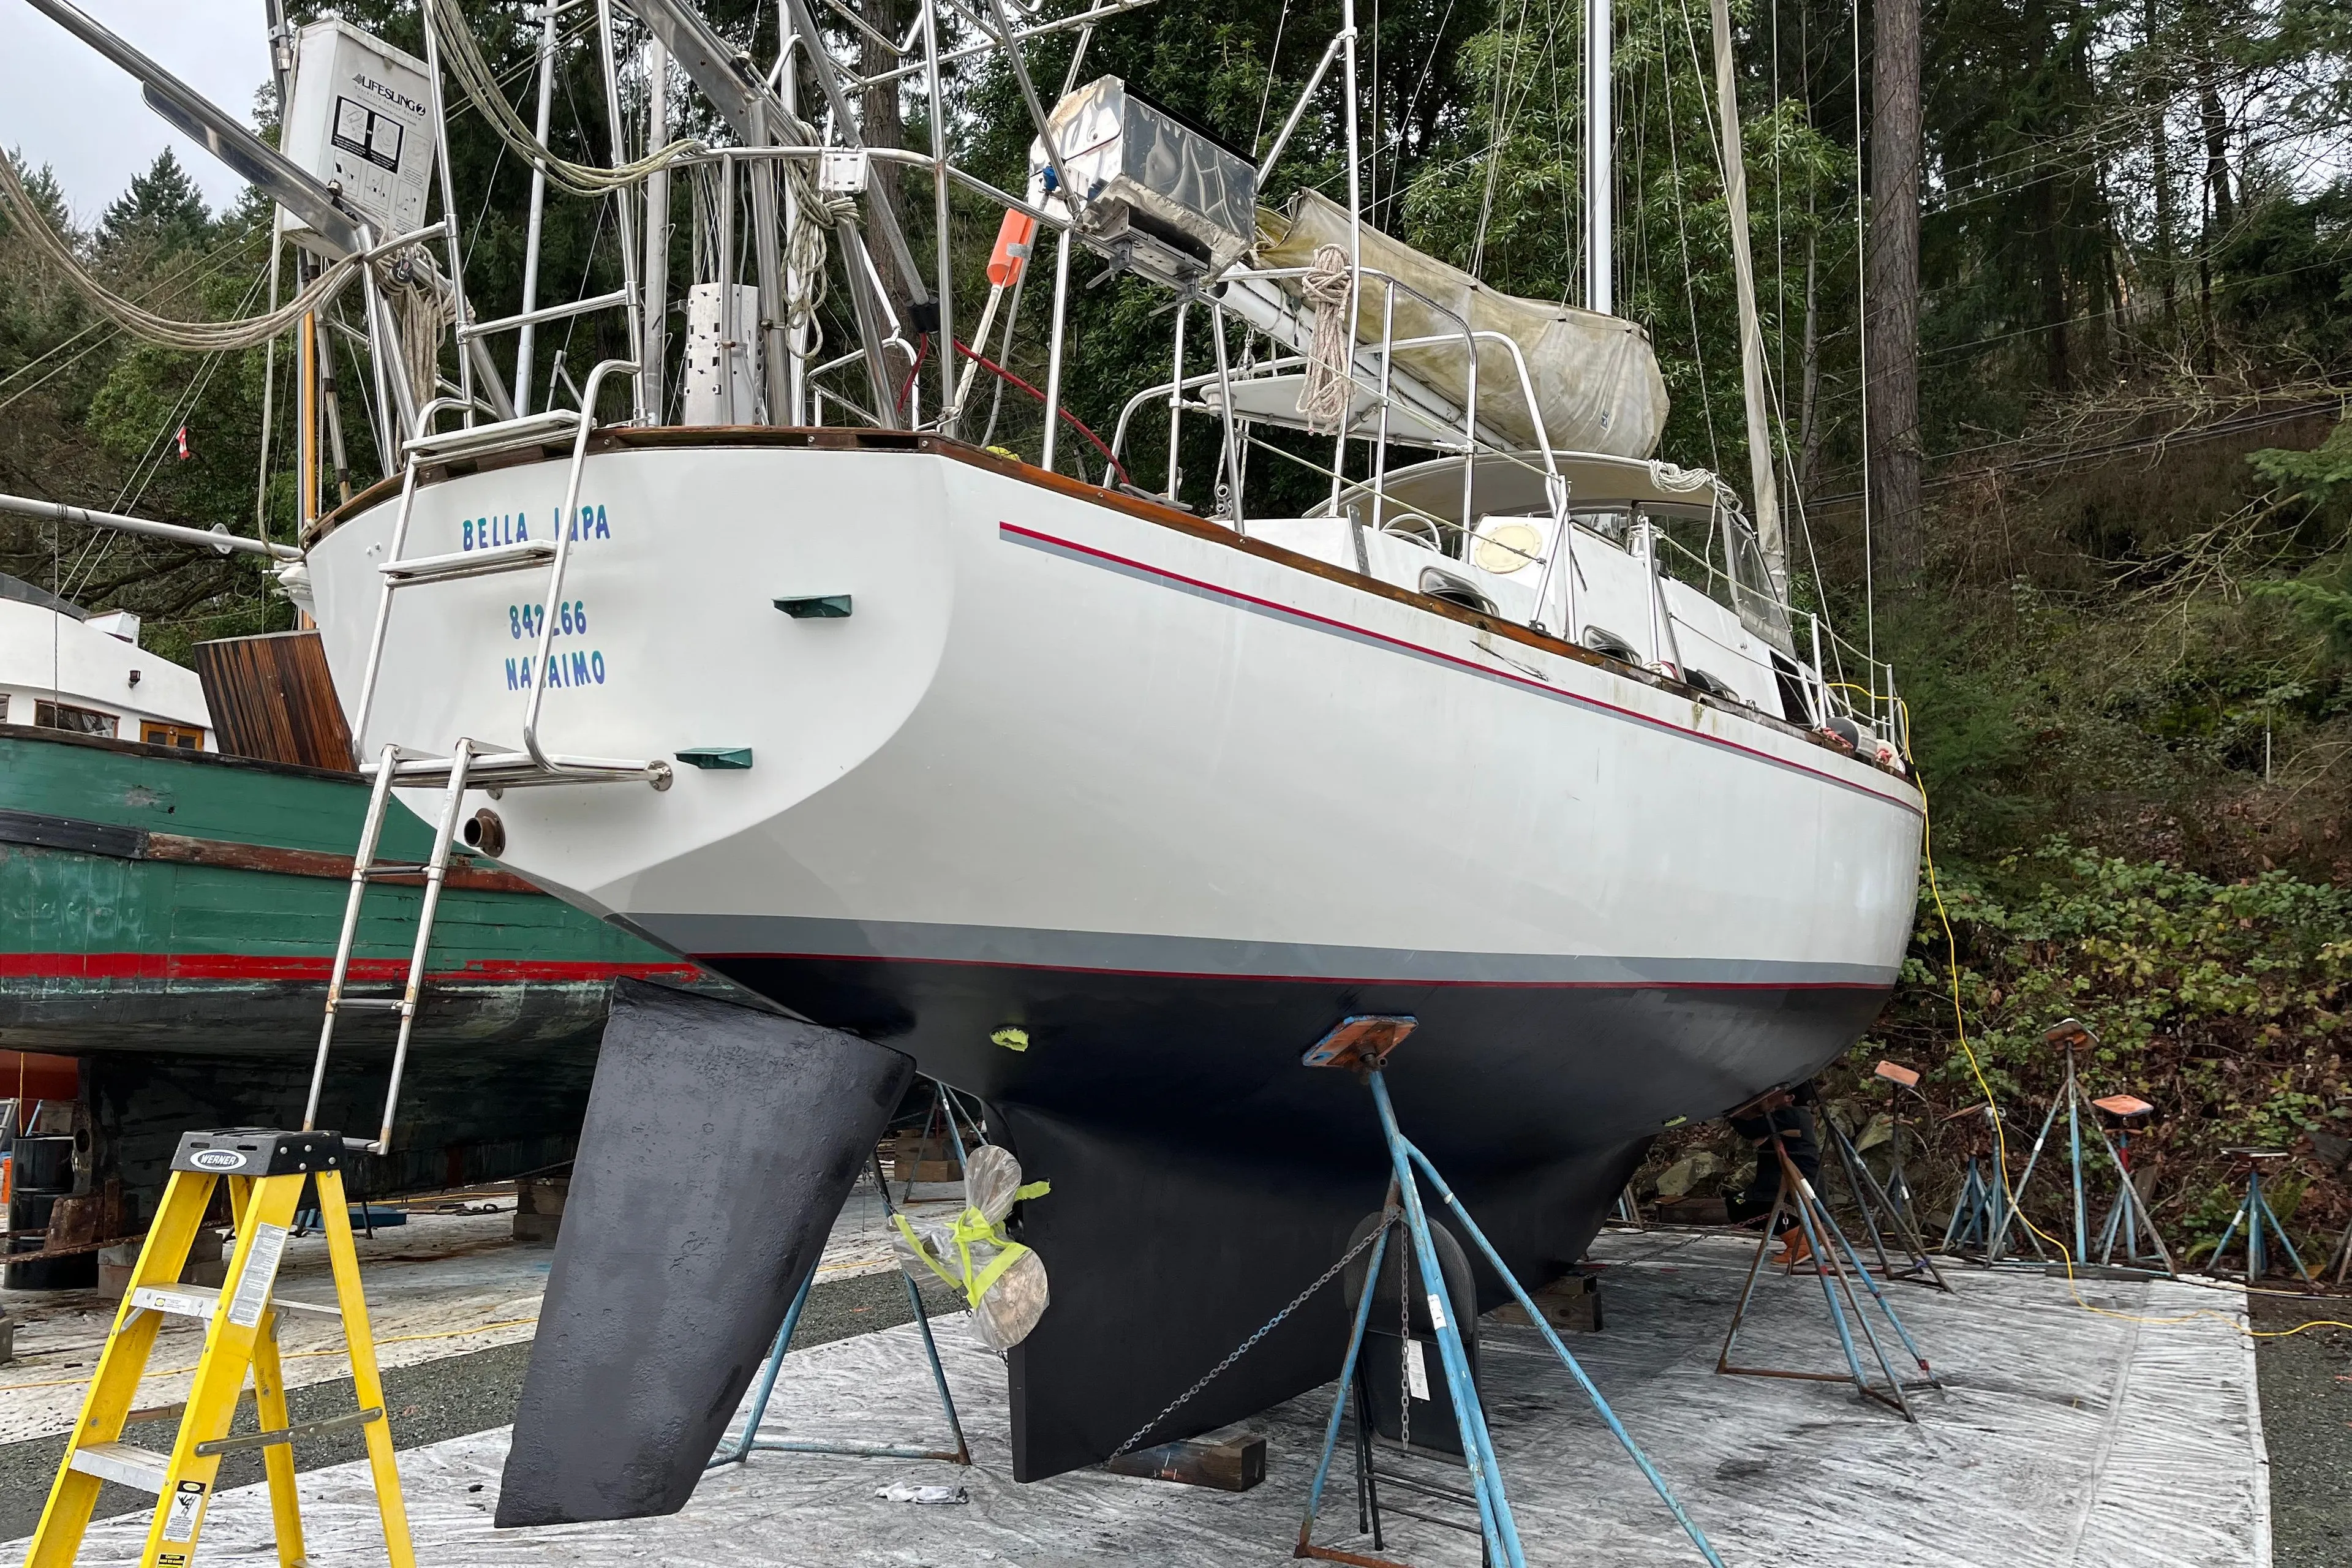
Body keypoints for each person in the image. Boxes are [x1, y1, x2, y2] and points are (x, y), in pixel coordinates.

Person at [1726, 1088, 1823, 1265]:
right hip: (1789, 1182)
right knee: (1737, 1201)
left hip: (1795, 1184)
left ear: (1789, 1097)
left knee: (1747, 1206)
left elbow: (1751, 1129)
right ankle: (1802, 1236)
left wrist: (1731, 1114)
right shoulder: (1794, 1115)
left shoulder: (1792, 1115)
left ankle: (1800, 1244)